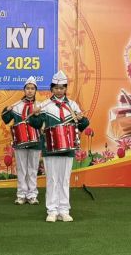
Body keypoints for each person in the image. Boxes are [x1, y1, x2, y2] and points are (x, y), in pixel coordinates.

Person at [29, 70, 90, 223]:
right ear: (52, 88)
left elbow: (82, 125)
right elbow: (35, 124)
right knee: (52, 179)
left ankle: (64, 210)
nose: (59, 91)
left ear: (65, 88)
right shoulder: (45, 105)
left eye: (62, 88)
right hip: (50, 148)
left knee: (64, 180)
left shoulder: (72, 105)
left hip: (68, 149)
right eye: (56, 88)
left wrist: (82, 119)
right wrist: (35, 115)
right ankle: (52, 210)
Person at [1, 77, 42, 205]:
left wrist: (37, 114)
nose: (30, 91)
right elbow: (6, 119)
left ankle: (32, 195)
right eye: (27, 88)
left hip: (36, 142)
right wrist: (6, 110)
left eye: (32, 88)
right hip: (20, 142)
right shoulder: (16, 106)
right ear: (24, 90)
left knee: (33, 169)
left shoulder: (40, 106)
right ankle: (21, 194)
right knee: (21, 169)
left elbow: (41, 123)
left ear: (35, 90)